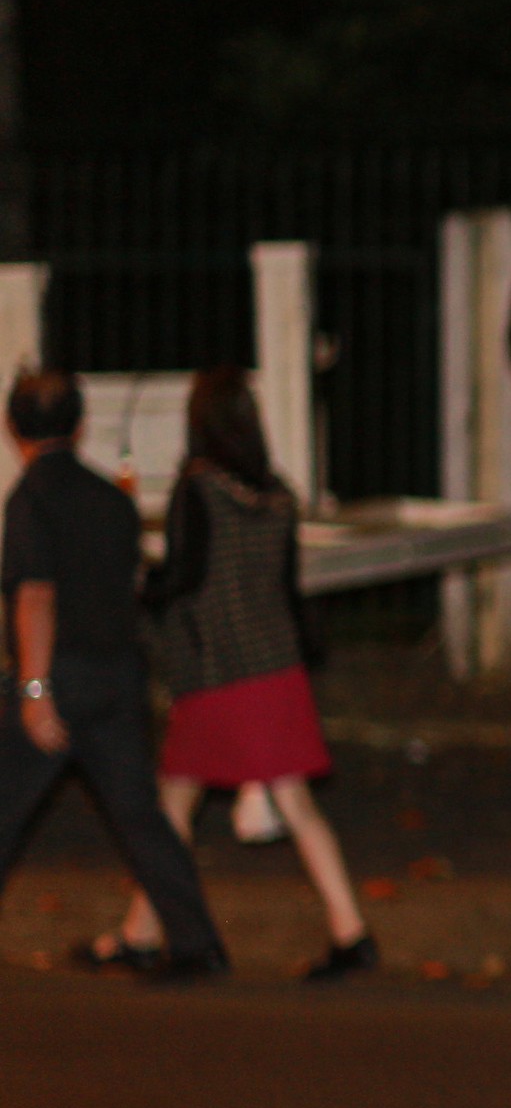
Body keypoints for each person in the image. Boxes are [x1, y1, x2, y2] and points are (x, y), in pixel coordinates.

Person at [103, 368, 372, 980]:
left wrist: (140, 591)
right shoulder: (277, 493)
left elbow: (186, 577)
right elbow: (284, 583)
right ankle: (349, 929)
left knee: (173, 803)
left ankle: (145, 933)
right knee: (287, 804)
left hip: (218, 671)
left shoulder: (199, 489)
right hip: (275, 664)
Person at [0, 369, 228, 981]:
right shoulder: (111, 500)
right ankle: (195, 942)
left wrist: (34, 688)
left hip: (62, 675)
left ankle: (190, 941)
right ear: (79, 425)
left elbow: (36, 598)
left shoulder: (28, 503)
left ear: (12, 426)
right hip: (119, 674)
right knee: (140, 814)